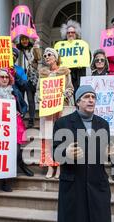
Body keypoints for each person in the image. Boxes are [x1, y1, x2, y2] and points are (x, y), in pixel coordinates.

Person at [53, 85, 114, 222]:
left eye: (93, 97)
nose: (90, 100)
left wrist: (111, 154)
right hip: (73, 183)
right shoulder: (63, 123)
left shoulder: (102, 124)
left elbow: (107, 152)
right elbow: (55, 153)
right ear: (78, 101)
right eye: (86, 97)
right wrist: (66, 155)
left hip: (97, 182)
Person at [0, 69, 34, 191]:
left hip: (15, 124)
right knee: (5, 153)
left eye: (6, 77)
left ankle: (20, 163)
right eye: (2, 77)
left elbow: (24, 105)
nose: (4, 79)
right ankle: (5, 181)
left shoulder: (15, 92)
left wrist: (21, 113)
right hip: (0, 127)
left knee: (16, 151)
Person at [38, 48, 74, 179]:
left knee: (61, 135)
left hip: (60, 108)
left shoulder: (64, 72)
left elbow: (70, 87)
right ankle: (49, 165)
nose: (47, 57)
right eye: (45, 55)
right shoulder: (43, 74)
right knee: (47, 137)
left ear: (56, 57)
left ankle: (59, 166)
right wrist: (39, 97)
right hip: (47, 110)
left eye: (49, 54)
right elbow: (38, 90)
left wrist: (66, 93)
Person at [90, 49, 114, 182]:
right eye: (97, 59)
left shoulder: (112, 76)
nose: (99, 62)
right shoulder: (90, 78)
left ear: (106, 62)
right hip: (94, 113)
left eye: (102, 59)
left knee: (111, 142)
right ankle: (98, 170)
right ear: (94, 62)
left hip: (108, 113)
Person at [16, 35, 42, 128]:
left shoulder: (32, 48)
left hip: (30, 77)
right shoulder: (17, 49)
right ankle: (20, 119)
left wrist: (36, 46)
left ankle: (31, 119)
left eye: (26, 39)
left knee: (31, 100)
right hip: (19, 77)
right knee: (20, 99)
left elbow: (38, 57)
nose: (24, 41)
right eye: (22, 39)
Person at [60, 20, 86, 93]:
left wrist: (82, 63)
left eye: (72, 32)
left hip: (78, 74)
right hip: (65, 74)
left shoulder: (82, 45)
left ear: (76, 34)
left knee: (78, 94)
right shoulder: (61, 46)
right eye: (68, 32)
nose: (70, 34)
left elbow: (87, 57)